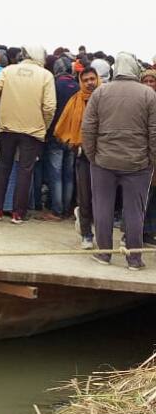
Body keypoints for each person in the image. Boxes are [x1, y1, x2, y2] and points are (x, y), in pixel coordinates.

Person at [82, 52, 156, 270]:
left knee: (102, 207)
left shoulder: (101, 92)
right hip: (138, 163)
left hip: (104, 161)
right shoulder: (149, 95)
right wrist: (151, 159)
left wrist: (92, 155)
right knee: (135, 212)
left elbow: (88, 129)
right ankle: (134, 259)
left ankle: (104, 254)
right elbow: (154, 132)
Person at [0, 45, 56, 224]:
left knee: (3, 167)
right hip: (33, 130)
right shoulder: (46, 76)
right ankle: (18, 213)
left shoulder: (8, 70)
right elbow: (50, 107)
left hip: (7, 127)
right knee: (25, 171)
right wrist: (44, 126)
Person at [53, 66, 101, 249]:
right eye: (86, 79)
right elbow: (62, 126)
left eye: (92, 79)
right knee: (84, 196)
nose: (90, 83)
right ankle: (86, 234)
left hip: (104, 156)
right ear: (81, 81)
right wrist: (73, 144)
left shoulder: (105, 99)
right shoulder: (75, 100)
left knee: (102, 197)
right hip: (83, 157)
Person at [41, 56, 80, 221]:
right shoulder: (78, 87)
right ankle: (66, 208)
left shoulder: (54, 86)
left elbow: (50, 108)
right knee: (68, 173)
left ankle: (56, 210)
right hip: (73, 137)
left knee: (55, 173)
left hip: (56, 135)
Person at [141, 69, 156, 245]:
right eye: (146, 81)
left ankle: (149, 232)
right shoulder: (139, 102)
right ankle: (129, 232)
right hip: (143, 155)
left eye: (152, 81)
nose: (149, 85)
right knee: (142, 196)